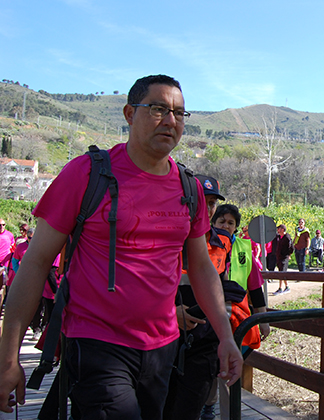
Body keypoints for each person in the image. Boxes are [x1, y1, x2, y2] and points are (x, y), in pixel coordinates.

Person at [0, 75, 243, 419]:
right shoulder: (86, 174)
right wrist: (9, 358)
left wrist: (225, 337)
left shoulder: (189, 189)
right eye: (158, 109)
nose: (171, 121)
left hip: (162, 348)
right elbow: (37, 262)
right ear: (130, 114)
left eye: (179, 113)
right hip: (97, 342)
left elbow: (202, 268)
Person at [198, 204, 270, 420]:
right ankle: (208, 406)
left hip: (237, 320)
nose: (226, 226)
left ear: (236, 227)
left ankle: (227, 414)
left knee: (228, 370)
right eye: (222, 222)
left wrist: (263, 319)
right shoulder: (203, 245)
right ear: (213, 223)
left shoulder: (243, 250)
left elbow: (255, 287)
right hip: (207, 318)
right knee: (210, 366)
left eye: (231, 223)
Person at [273, 224, 293, 295]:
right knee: (281, 272)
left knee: (282, 273)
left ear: (282, 229)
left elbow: (291, 248)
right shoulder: (279, 237)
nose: (278, 230)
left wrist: (288, 255)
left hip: (284, 258)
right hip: (279, 257)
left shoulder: (287, 237)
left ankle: (281, 288)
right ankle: (286, 287)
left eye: (279, 229)